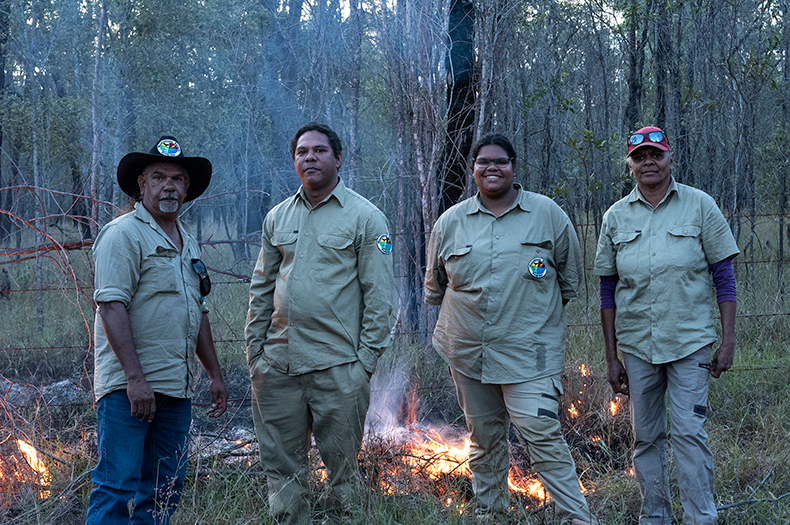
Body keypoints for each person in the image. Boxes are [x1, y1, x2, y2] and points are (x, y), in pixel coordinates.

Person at [425, 133, 598, 525]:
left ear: (514, 167)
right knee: (484, 440)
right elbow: (436, 286)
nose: (491, 168)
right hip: (468, 353)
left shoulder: (547, 214)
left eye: (500, 161)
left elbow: (568, 283)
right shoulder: (450, 222)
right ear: (473, 170)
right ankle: (490, 514)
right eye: (483, 162)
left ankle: (577, 517)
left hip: (529, 355)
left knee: (542, 435)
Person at [245, 122, 394, 524]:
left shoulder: (366, 218)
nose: (309, 157)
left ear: (338, 158)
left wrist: (364, 364)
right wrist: (255, 355)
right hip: (277, 369)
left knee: (343, 477)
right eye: (301, 152)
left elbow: (380, 297)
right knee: (282, 475)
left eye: (319, 151)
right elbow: (261, 288)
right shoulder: (277, 217)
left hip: (338, 370)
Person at [594, 126, 739, 525]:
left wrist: (727, 341)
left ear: (670, 158)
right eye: (639, 158)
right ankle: (655, 516)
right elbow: (608, 291)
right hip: (638, 346)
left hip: (689, 341)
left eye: (655, 155)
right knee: (646, 438)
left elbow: (724, 277)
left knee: (690, 434)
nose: (648, 163)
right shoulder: (615, 216)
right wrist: (611, 356)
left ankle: (701, 517)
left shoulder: (700, 206)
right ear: (630, 166)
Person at [87, 136, 228, 525]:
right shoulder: (123, 234)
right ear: (142, 184)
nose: (170, 186)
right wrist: (135, 379)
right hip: (128, 392)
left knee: (164, 490)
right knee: (116, 486)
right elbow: (111, 306)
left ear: (187, 189)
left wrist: (214, 374)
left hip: (175, 389)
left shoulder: (188, 242)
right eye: (159, 177)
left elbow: (196, 311)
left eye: (179, 179)